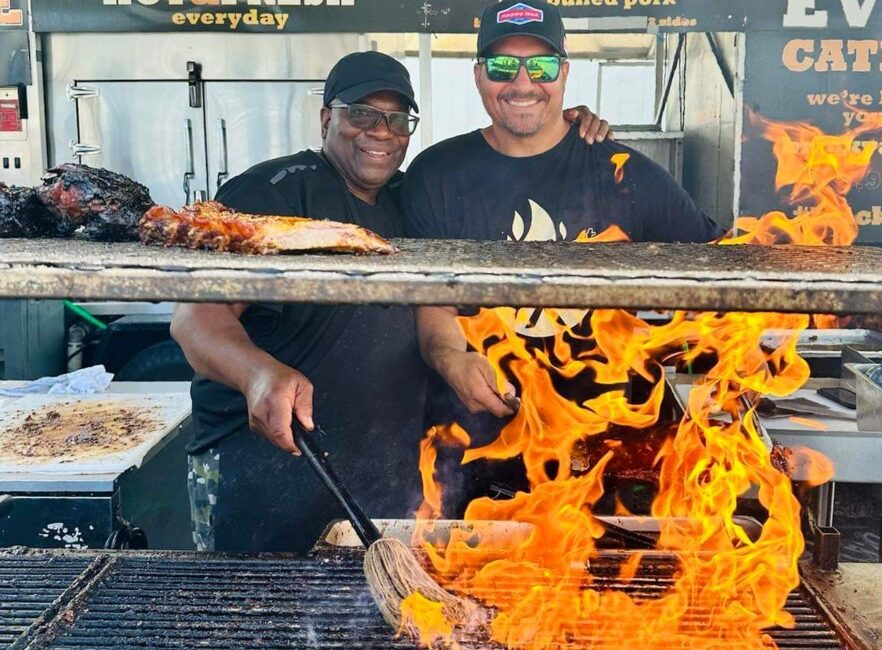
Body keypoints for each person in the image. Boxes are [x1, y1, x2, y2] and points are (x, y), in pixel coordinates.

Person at [172, 50, 613, 553]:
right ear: (326, 119)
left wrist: (563, 131)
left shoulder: (411, 200)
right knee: (244, 618)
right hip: (259, 470)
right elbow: (195, 318)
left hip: (375, 478)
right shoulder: (271, 193)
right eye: (361, 114)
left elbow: (440, 298)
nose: (380, 132)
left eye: (397, 119)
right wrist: (258, 374)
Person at [401, 0, 725, 514]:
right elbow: (432, 304)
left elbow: (718, 273)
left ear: (566, 73)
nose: (523, 82)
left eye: (543, 65)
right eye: (504, 66)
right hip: (478, 451)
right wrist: (453, 359)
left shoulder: (624, 173)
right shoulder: (435, 176)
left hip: (605, 451)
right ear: (479, 75)